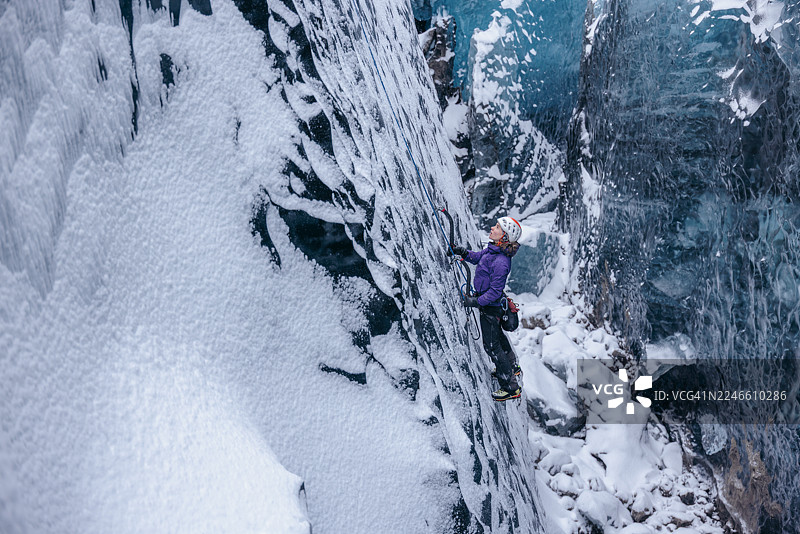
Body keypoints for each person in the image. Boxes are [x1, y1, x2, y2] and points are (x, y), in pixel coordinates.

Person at [451, 217, 522, 401]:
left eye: (497, 227)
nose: (493, 227)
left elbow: (494, 292)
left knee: (491, 346)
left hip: (491, 308)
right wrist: (464, 253)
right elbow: (478, 258)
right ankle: (512, 367)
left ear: (504, 237)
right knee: (497, 337)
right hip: (490, 305)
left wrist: (476, 302)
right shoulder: (492, 251)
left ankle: (510, 386)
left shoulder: (500, 261)